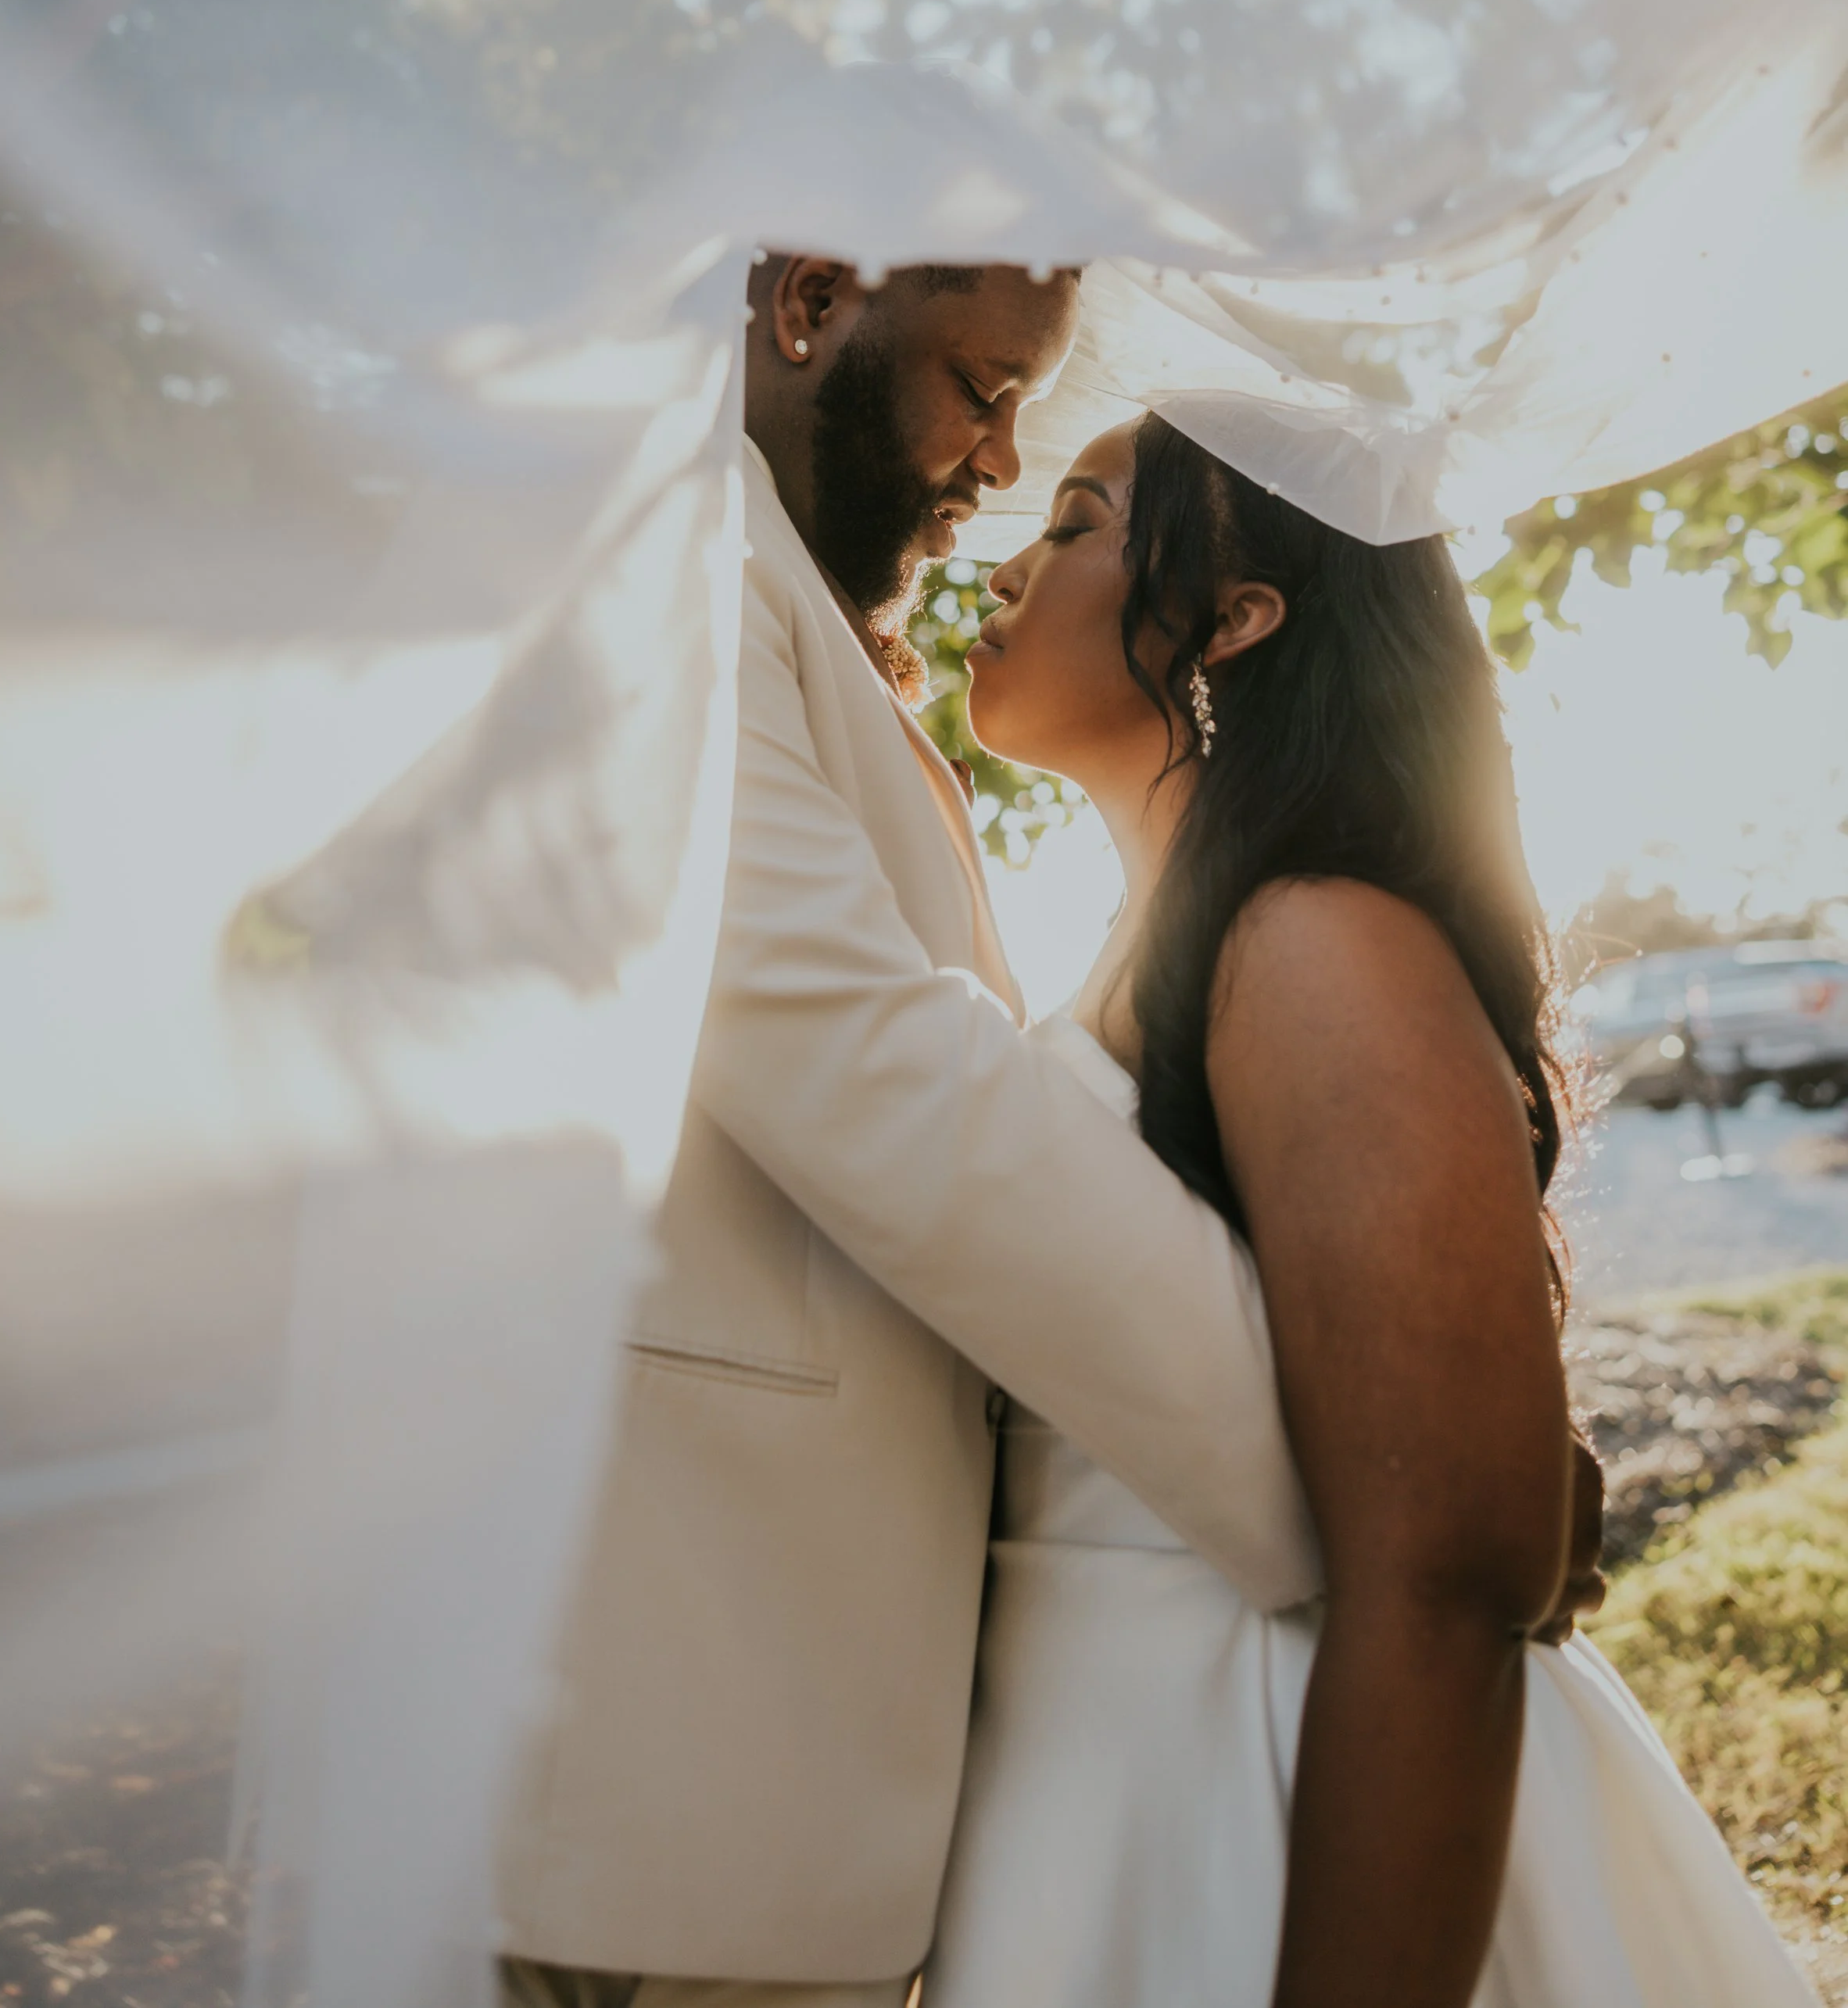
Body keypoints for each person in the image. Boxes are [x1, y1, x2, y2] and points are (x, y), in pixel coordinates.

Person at [493, 258, 1326, 2008]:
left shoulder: (779, 592)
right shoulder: (664, 545)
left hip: (760, 1750)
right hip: (640, 1749)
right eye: (980, 383)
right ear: (807, 305)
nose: (996, 463)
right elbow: (866, 1059)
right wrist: (1342, 1488)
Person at [923, 413, 1815, 2008]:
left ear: (1235, 611)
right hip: (1092, 1786)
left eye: (1070, 521)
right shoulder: (1149, 944)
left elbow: (1451, 1574)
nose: (1007, 562)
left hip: (1268, 1783)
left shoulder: (1314, 938)